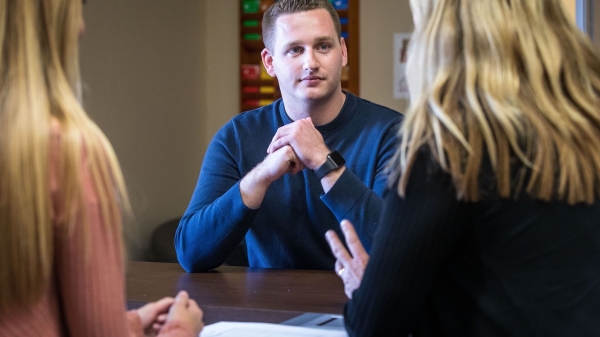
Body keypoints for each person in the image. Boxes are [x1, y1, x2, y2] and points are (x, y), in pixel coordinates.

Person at [325, 0, 600, 336]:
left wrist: (367, 290)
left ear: (439, 35)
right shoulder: (588, 129)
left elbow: (373, 326)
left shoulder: (448, 149)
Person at [0, 0, 203, 336]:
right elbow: (194, 247)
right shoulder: (66, 151)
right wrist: (180, 329)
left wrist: (132, 323)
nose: (82, 26)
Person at [175, 0, 402, 272]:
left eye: (323, 46)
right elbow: (191, 254)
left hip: (362, 306)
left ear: (342, 52)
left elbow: (397, 247)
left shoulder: (392, 133)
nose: (311, 63)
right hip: (268, 308)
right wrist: (261, 176)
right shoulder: (236, 137)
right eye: (295, 50)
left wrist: (324, 160)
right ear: (270, 62)